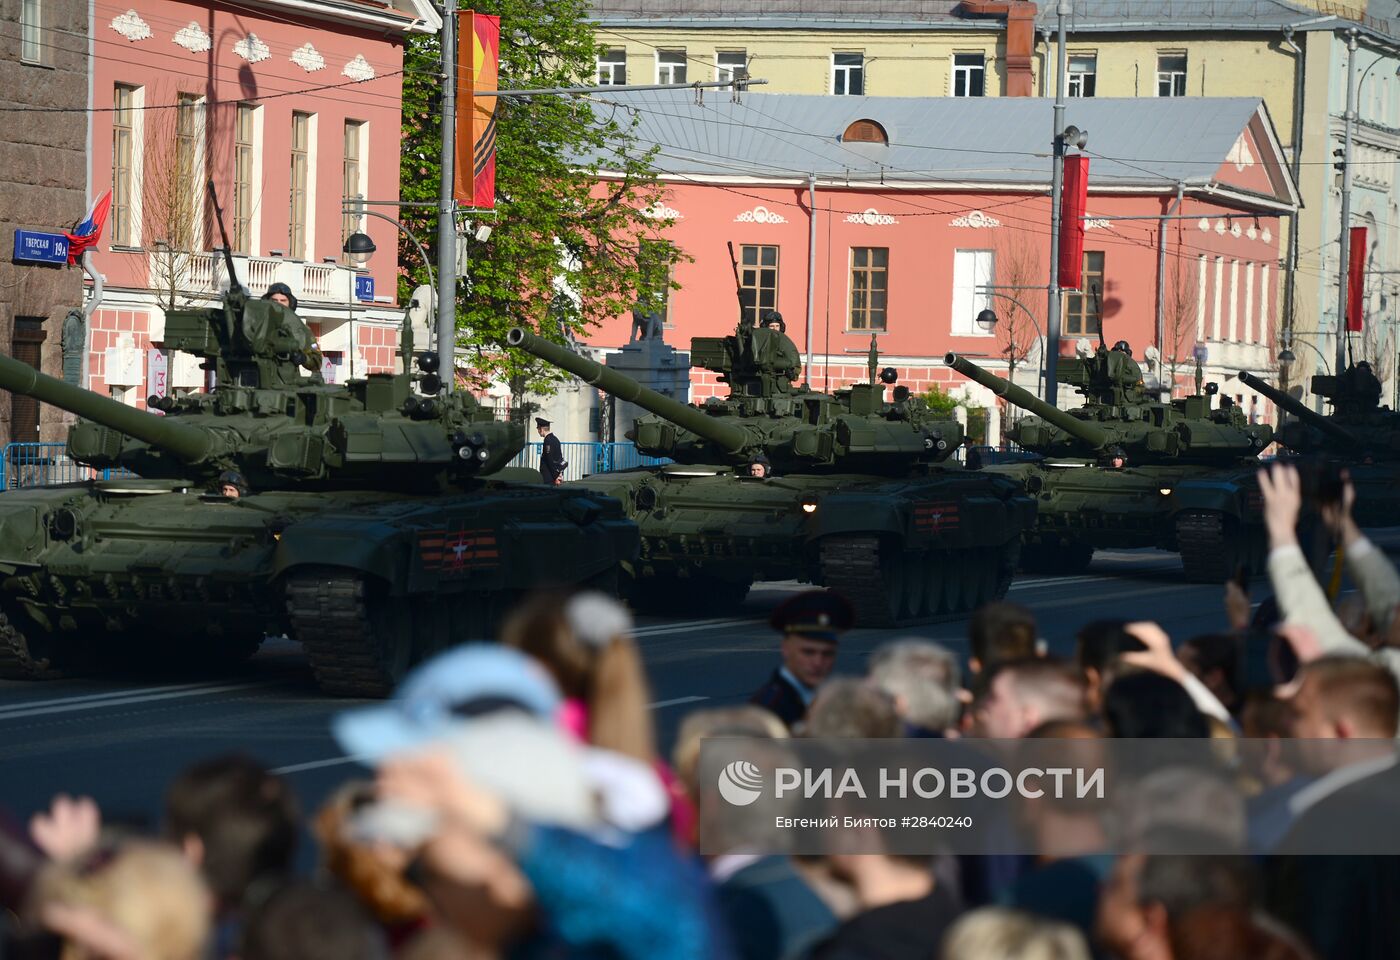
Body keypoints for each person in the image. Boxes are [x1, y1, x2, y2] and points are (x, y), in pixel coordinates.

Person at [749, 590, 854, 730]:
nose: (818, 662)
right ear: (785, 649)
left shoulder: (835, 702)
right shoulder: (768, 710)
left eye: (827, 654)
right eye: (808, 652)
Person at [537, 417, 566, 486]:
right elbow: (559, 458)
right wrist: (559, 474)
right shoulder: (555, 439)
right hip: (554, 475)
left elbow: (549, 460)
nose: (538, 431)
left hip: (549, 477)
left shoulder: (548, 441)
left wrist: (555, 477)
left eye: (538, 429)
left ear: (541, 429)